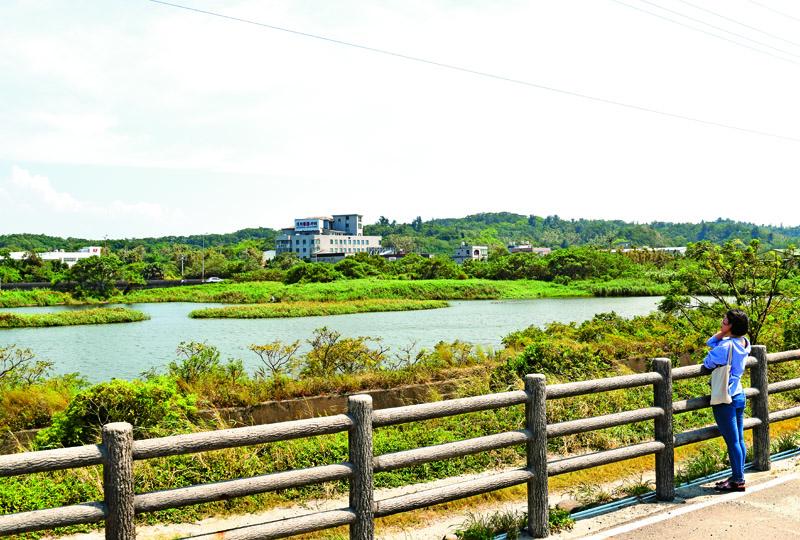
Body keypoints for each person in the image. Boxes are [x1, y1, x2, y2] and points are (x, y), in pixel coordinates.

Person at [700, 309, 751, 492]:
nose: (721, 323)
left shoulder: (725, 347)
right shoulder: (745, 342)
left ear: (731, 326)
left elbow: (708, 362)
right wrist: (724, 333)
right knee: (739, 439)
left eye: (724, 321)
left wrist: (721, 336)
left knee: (733, 441)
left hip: (725, 397)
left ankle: (738, 480)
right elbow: (711, 342)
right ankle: (738, 476)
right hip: (739, 394)